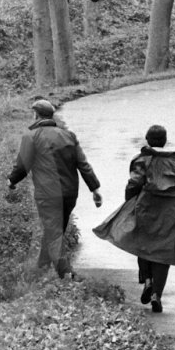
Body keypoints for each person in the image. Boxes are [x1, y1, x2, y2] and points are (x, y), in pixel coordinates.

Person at [93, 125, 175, 313]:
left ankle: (147, 280)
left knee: (142, 245)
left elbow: (134, 183)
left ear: (147, 140)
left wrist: (129, 201)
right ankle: (157, 295)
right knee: (163, 253)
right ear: (165, 141)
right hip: (171, 214)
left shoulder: (142, 160)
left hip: (145, 210)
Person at [8, 99, 103, 280]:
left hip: (48, 193)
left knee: (54, 230)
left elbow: (22, 166)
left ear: (35, 115)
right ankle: (42, 266)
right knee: (55, 229)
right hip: (69, 193)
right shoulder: (69, 136)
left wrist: (11, 181)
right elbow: (83, 164)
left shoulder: (31, 136)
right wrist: (95, 189)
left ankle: (65, 272)